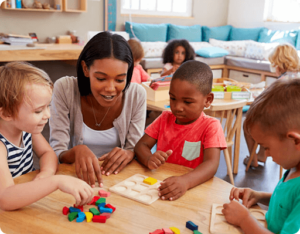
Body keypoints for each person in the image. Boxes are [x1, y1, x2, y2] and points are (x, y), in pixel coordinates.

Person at [49, 32, 147, 188]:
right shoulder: (65, 88)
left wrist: (130, 152)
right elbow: (55, 152)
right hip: (75, 180)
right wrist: (76, 151)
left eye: (120, 79)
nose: (110, 88)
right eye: (101, 78)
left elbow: (133, 148)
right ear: (85, 69)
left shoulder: (136, 94)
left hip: (119, 181)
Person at [0, 62, 93, 211]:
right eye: (38, 111)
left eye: (48, 106)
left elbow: (47, 153)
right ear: (6, 114)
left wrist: (46, 174)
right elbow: (5, 198)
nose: (48, 115)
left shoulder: (27, 130)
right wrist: (56, 181)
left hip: (24, 202)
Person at [135, 61, 227, 201]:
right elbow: (141, 145)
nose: (177, 107)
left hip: (193, 189)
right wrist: (149, 158)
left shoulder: (211, 126)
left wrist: (186, 181)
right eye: (173, 98)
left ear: (207, 100)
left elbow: (211, 164)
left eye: (187, 102)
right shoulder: (164, 118)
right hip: (162, 186)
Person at [222, 79, 300, 234]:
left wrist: (244, 220)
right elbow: (287, 203)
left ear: (295, 140)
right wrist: (259, 196)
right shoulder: (294, 167)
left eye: (266, 148)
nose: (267, 155)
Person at [243, 43, 300, 168]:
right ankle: (262, 153)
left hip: (281, 122)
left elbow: (266, 101)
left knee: (248, 124)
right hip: (294, 121)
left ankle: (254, 159)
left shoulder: (282, 82)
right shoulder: (297, 77)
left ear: (279, 64)